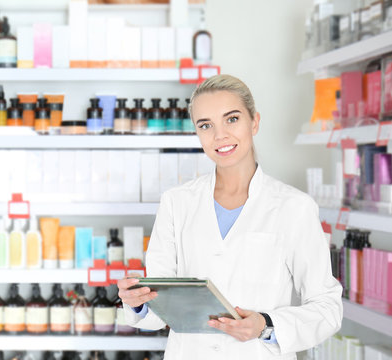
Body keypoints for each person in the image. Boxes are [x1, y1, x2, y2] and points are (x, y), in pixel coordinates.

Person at [117, 75, 342, 359]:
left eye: (232, 119)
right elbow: (159, 311)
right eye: (206, 125)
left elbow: (327, 308)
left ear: (254, 122)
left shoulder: (294, 207)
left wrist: (266, 325)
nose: (219, 135)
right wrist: (137, 302)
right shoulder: (176, 202)